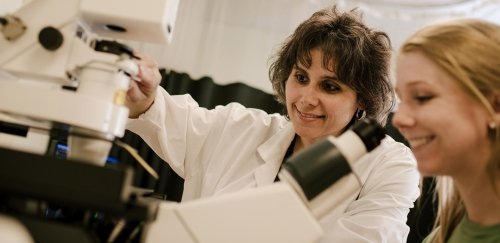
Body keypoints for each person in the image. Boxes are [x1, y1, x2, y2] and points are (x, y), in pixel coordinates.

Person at [126, 6, 420, 242]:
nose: (306, 99)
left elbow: (373, 237)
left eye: (330, 87)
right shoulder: (240, 129)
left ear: (361, 100)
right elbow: (165, 116)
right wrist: (144, 95)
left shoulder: (388, 164)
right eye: (301, 78)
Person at [392, 18, 500, 243]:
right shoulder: (442, 235)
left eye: (422, 97)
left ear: (494, 106)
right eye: (401, 99)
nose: (399, 120)